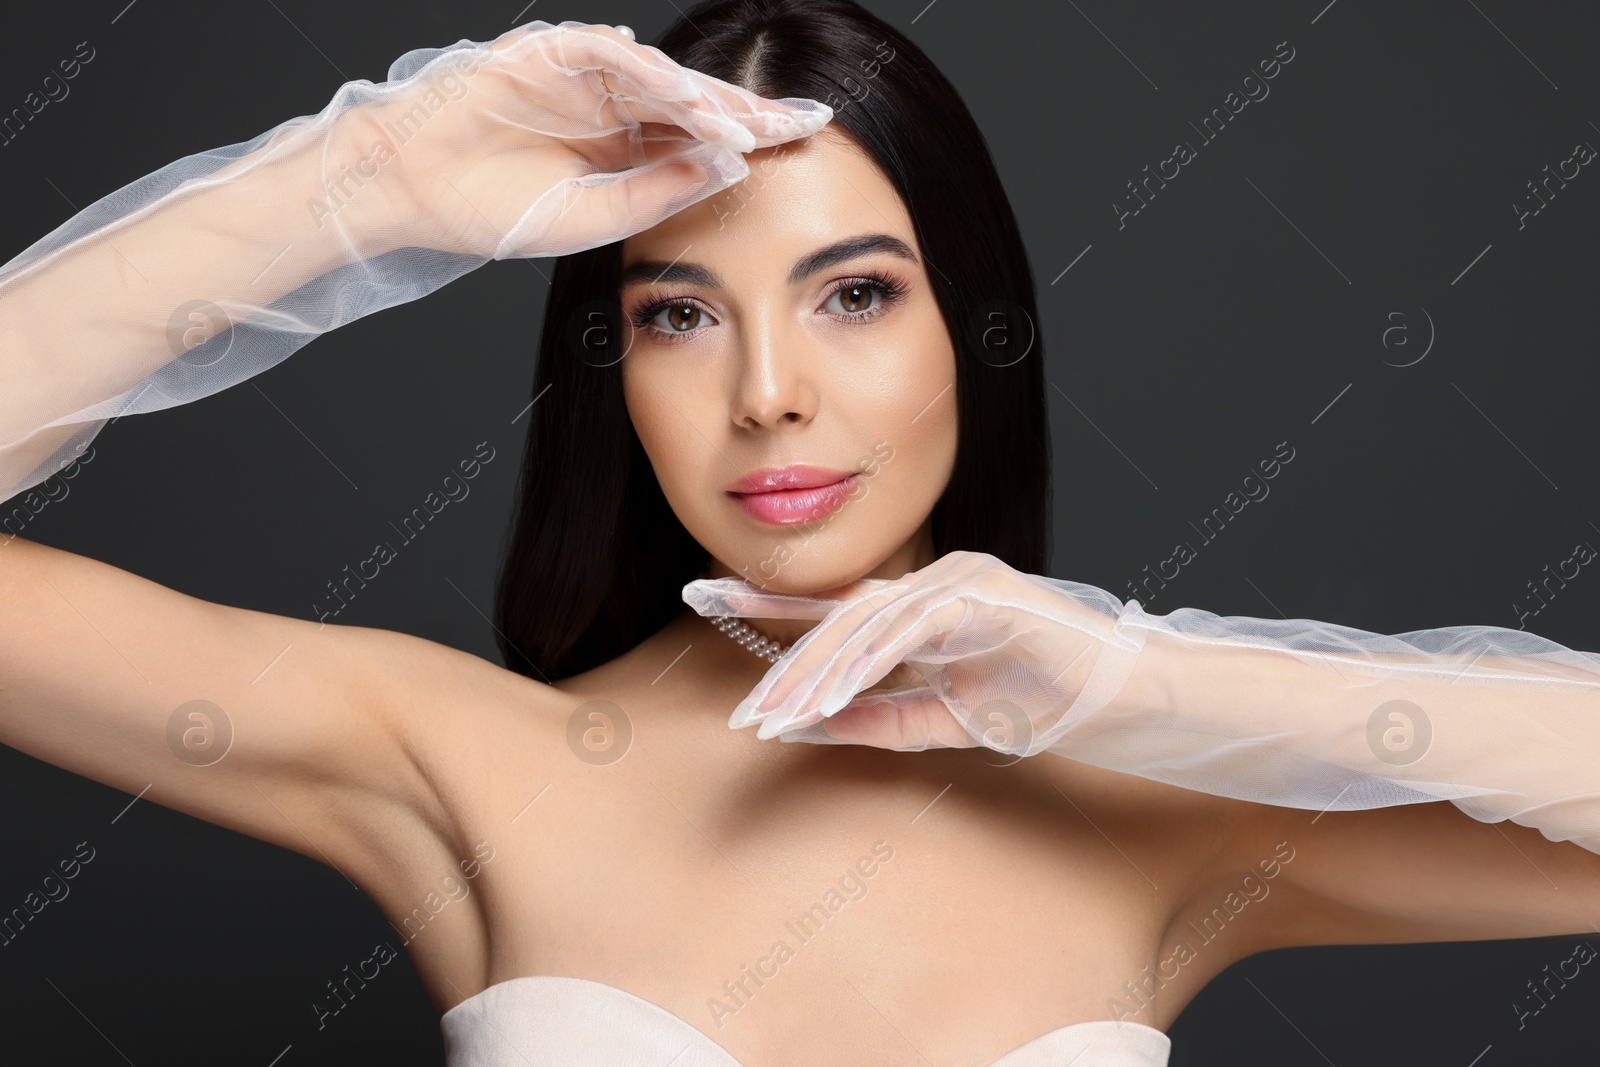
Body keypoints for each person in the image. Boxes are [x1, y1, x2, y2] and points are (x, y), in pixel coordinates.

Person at [3, 3, 1598, 1065]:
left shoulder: (1169, 807)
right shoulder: (461, 760)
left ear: (974, 330)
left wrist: (1145, 691)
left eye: (853, 295)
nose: (769, 394)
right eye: (680, 314)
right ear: (611, 369)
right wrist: (364, 182)